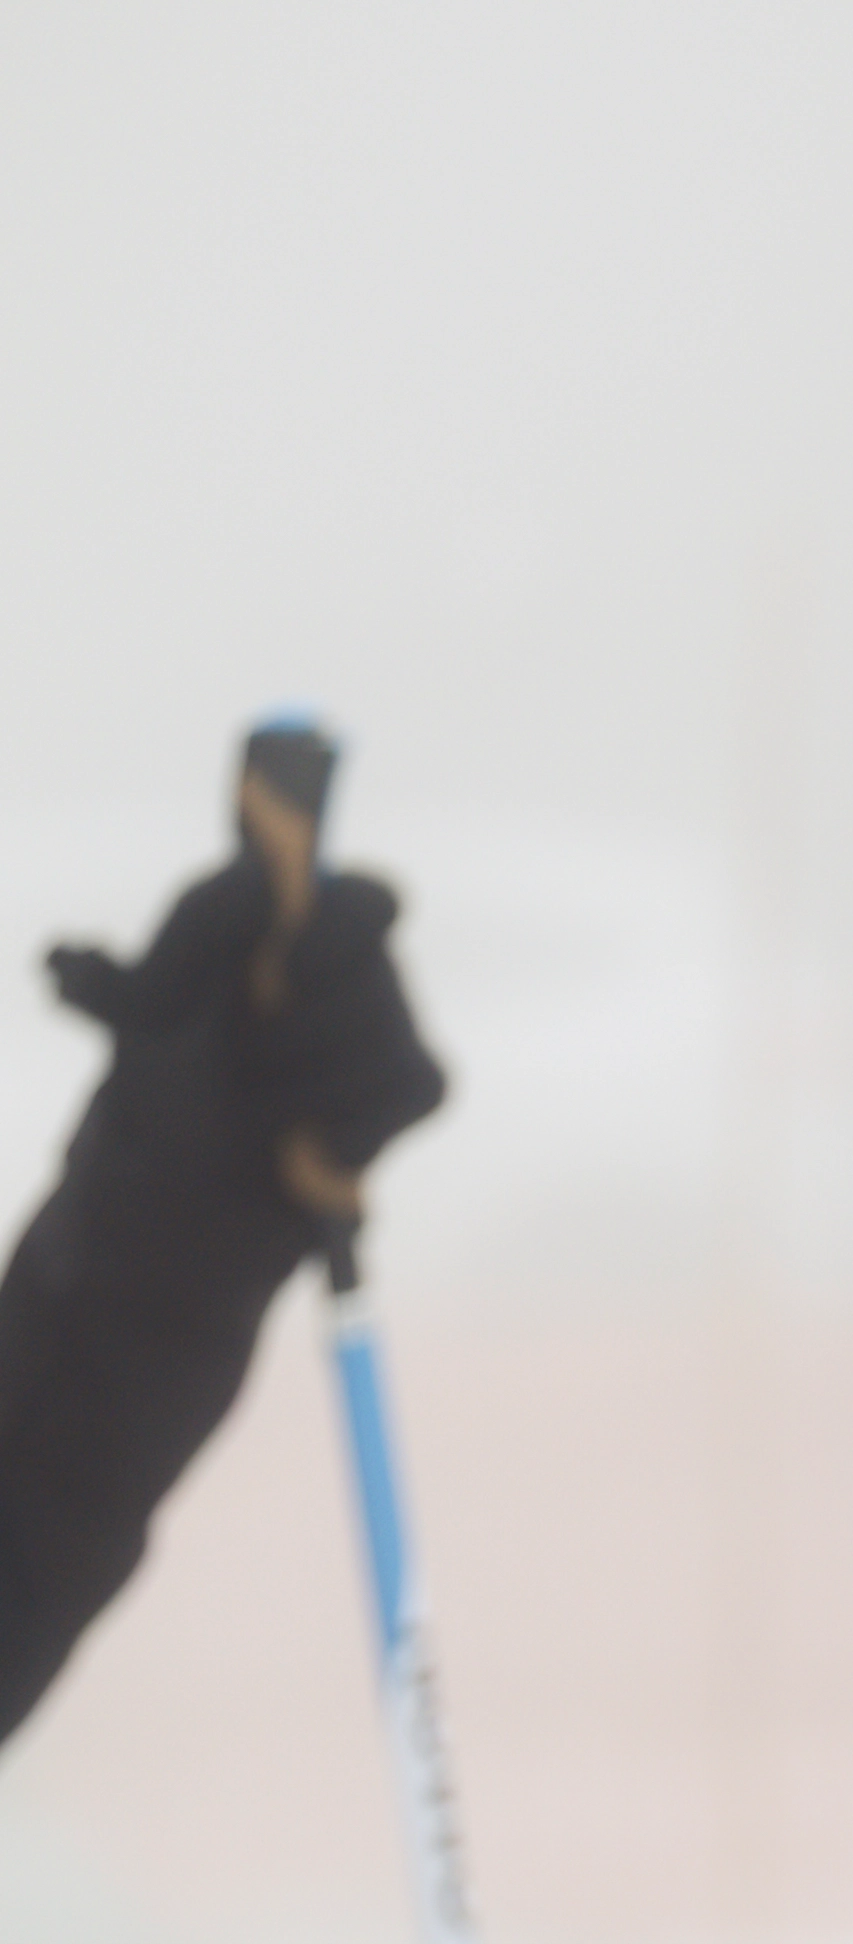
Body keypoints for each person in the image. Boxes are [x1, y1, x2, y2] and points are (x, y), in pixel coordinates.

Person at [0, 723, 443, 1744]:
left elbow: (404, 1085)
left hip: (144, 1360)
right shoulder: (218, 913)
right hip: (56, 1291)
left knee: (36, 1574)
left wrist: (337, 1159)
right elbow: (152, 1005)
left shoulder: (336, 954)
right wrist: (98, 985)